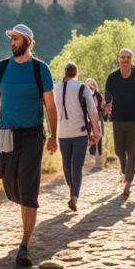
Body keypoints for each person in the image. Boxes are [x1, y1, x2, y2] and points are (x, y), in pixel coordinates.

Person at [0, 24, 59, 267]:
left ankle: (24, 245)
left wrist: (53, 136)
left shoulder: (40, 69)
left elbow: (50, 106)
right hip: (6, 134)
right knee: (11, 186)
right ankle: (24, 209)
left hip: (32, 135)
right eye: (11, 39)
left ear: (27, 41)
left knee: (28, 191)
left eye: (16, 39)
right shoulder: (1, 68)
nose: (12, 42)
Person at [56, 62, 102, 212]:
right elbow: (93, 112)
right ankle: (74, 196)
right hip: (80, 134)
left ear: (65, 73)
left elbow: (49, 110)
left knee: (67, 166)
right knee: (76, 167)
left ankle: (73, 194)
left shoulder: (55, 88)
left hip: (62, 134)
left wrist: (51, 134)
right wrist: (97, 132)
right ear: (77, 73)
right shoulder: (82, 87)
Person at [104, 48, 135, 200]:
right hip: (118, 119)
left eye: (128, 57)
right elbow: (108, 92)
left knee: (133, 152)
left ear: (131, 59)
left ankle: (128, 184)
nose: (125, 60)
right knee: (119, 150)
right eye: (123, 57)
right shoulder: (112, 77)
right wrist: (107, 103)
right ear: (118, 59)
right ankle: (124, 171)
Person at [87, 79, 105, 171]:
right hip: (87, 121)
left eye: (92, 85)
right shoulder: (84, 95)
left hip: (98, 120)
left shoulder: (98, 95)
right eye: (88, 85)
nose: (91, 87)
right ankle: (89, 164)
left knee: (99, 141)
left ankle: (98, 164)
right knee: (89, 141)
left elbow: (102, 108)